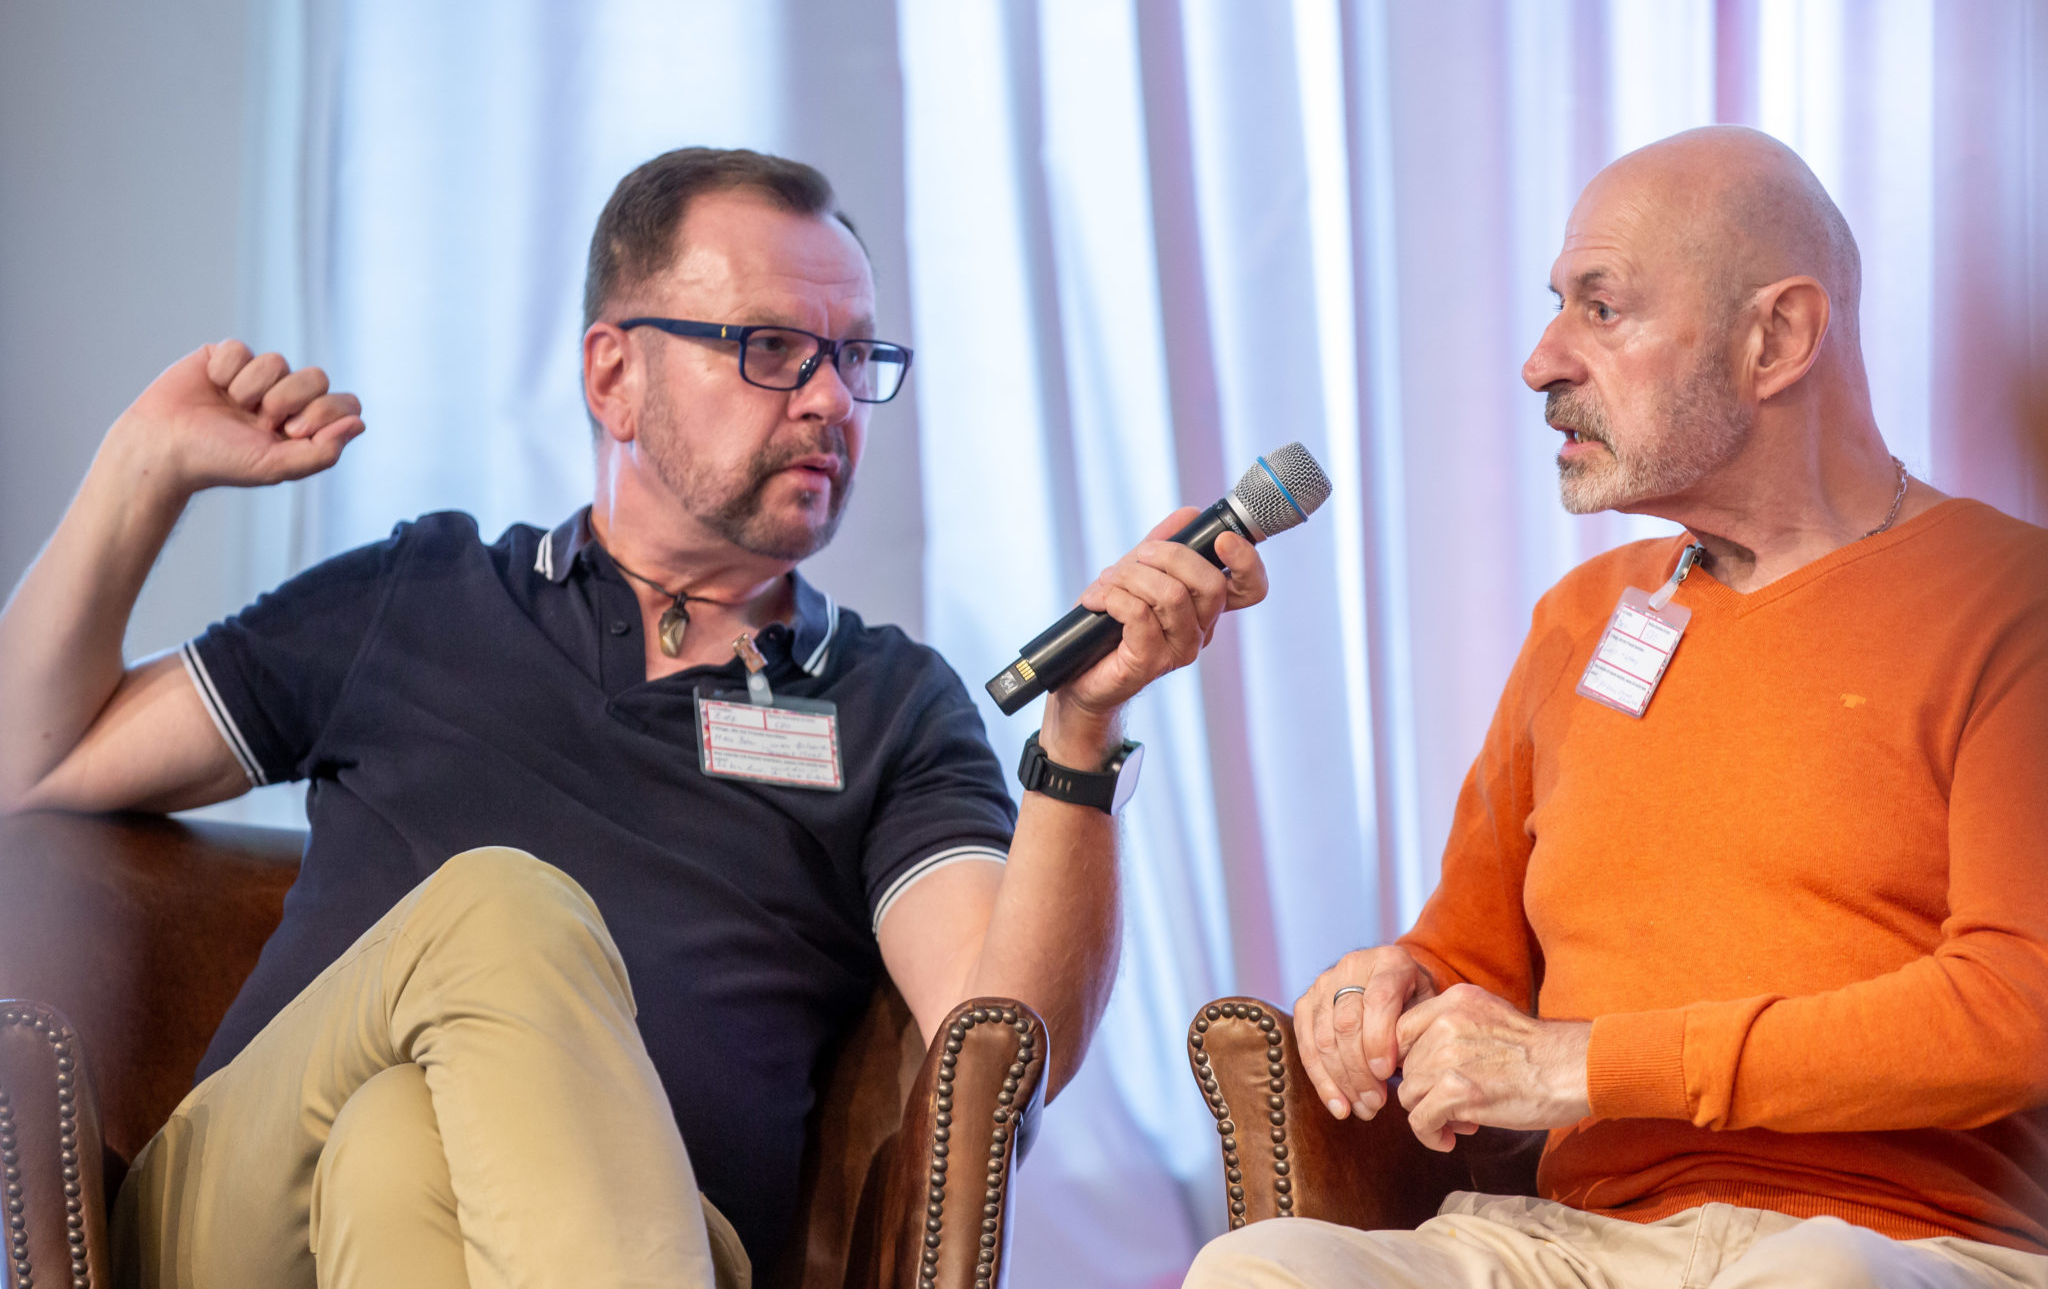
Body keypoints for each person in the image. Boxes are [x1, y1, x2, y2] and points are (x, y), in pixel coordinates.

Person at [0, 147, 1269, 1289]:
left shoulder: (886, 703)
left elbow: (1000, 1043)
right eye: (771, 348)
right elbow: (29, 761)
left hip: (658, 1231)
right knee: (500, 906)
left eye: (852, 357)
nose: (829, 399)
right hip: (234, 1224)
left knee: (398, 1148)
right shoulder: (419, 594)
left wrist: (1080, 734)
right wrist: (140, 469)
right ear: (614, 373)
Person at [1186, 126, 2047, 1288]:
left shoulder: (2008, 603)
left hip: (1900, 1239)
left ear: (1776, 337)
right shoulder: (1580, 619)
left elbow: (2011, 1006)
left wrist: (1586, 1065)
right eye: (1556, 307)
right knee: (1262, 1267)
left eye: (1601, 308)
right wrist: (1390, 986)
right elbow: (1468, 955)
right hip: (1576, 1244)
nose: (1540, 360)